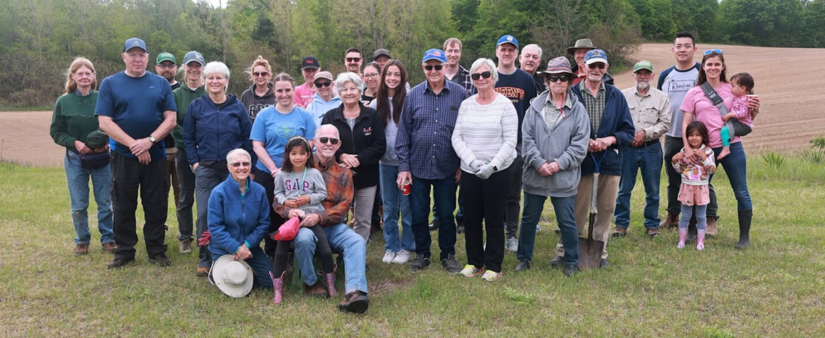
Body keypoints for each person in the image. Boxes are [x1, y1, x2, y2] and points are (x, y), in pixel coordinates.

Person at [96, 38, 177, 269]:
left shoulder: (160, 83)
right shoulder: (110, 84)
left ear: (148, 58)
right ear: (124, 57)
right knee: (123, 204)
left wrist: (149, 141)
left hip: (156, 154)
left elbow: (170, 119)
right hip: (123, 155)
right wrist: (134, 144)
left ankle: (156, 250)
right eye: (132, 54)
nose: (137, 59)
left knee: (156, 204)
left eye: (141, 54)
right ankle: (124, 252)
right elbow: (104, 121)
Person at [550, 49, 634, 268]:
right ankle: (564, 251)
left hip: (610, 161)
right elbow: (561, 125)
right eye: (592, 65)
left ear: (606, 68)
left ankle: (600, 252)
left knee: (606, 209)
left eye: (601, 66)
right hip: (579, 161)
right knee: (576, 208)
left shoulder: (616, 95)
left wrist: (609, 139)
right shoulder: (572, 93)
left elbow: (628, 131)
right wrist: (583, 141)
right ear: (584, 67)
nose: (596, 70)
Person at [514, 56, 590, 277]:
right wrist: (538, 163)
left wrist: (558, 164)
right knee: (528, 219)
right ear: (547, 81)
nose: (558, 82)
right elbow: (526, 140)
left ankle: (571, 261)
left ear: (569, 81)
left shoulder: (578, 111)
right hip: (534, 176)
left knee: (567, 221)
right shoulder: (533, 108)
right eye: (554, 78)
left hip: (563, 177)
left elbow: (579, 145)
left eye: (563, 78)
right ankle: (524, 259)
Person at [396, 49, 469, 273]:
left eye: (438, 66)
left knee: (447, 213)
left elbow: (466, 131)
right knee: (418, 214)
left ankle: (448, 254)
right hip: (418, 166)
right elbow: (403, 133)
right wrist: (404, 167)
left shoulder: (460, 94)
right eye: (429, 67)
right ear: (423, 68)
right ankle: (422, 253)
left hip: (448, 166)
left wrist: (461, 163)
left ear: (446, 66)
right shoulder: (413, 95)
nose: (434, 71)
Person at [282, 124, 369, 313]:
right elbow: (278, 200)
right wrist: (289, 213)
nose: (328, 144)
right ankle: (311, 282)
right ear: (315, 142)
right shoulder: (298, 166)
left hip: (332, 226)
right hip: (304, 225)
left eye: (333, 141)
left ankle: (355, 292)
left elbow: (344, 206)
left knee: (356, 241)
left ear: (339, 145)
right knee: (304, 239)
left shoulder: (344, 173)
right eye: (323, 139)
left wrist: (318, 216)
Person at [679, 50, 759, 249]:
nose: (713, 68)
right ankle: (690, 230)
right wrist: (688, 148)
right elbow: (686, 122)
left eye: (717, 64)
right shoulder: (694, 92)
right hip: (704, 151)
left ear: (723, 67)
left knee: (741, 191)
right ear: (703, 67)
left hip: (732, 147)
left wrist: (755, 110)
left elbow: (746, 117)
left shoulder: (732, 89)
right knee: (694, 187)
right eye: (709, 64)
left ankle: (744, 236)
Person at [184, 61, 254, 276]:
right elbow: (188, 137)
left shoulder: (237, 107)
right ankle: (205, 258)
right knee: (205, 213)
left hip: (233, 171)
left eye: (219, 78)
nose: (215, 81)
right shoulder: (196, 106)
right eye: (211, 78)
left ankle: (236, 254)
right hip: (205, 169)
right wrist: (195, 162)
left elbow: (247, 138)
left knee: (236, 212)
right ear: (205, 81)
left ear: (226, 81)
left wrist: (247, 166)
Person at [452, 58, 518, 282]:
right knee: (471, 218)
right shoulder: (466, 104)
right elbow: (457, 137)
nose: (481, 79)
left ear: (493, 77)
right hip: (470, 171)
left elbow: (510, 141)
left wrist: (492, 166)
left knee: (493, 218)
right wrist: (472, 162)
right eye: (476, 76)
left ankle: (493, 265)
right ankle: (474, 262)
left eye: (485, 75)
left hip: (497, 172)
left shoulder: (505, 105)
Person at [50, 57, 115, 256]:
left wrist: (106, 140)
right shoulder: (63, 101)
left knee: (105, 202)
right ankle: (82, 240)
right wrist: (75, 143)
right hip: (75, 160)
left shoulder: (102, 98)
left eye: (88, 73)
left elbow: (114, 124)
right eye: (80, 73)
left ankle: (108, 238)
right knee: (79, 204)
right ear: (73, 76)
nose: (84, 76)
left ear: (94, 75)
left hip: (102, 158)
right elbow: (56, 131)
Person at [251, 72, 317, 259]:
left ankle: (294, 249)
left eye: (288, 90)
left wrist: (294, 164)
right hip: (268, 171)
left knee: (294, 209)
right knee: (271, 211)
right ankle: (272, 252)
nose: (284, 94)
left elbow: (311, 142)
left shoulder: (304, 115)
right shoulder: (264, 115)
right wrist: (274, 168)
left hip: (297, 173)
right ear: (274, 91)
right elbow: (257, 144)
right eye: (280, 90)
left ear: (293, 90)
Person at [321, 72, 386, 241]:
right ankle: (337, 254)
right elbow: (323, 145)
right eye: (344, 89)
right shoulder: (330, 117)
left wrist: (358, 159)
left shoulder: (371, 116)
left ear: (360, 90)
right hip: (337, 177)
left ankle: (358, 255)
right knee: (337, 218)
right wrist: (341, 156)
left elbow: (380, 146)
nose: (349, 92)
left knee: (363, 221)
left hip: (366, 176)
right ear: (339, 92)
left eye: (353, 88)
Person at [657, 32, 711, 236]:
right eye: (678, 46)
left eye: (687, 46)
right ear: (673, 50)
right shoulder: (665, 75)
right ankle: (673, 215)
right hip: (672, 135)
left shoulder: (701, 72)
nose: (682, 49)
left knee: (702, 178)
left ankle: (706, 218)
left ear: (695, 49)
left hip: (697, 137)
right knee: (673, 177)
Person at [271, 137, 335, 304]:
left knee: (326, 250)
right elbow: (278, 193)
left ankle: (330, 284)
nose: (297, 157)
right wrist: (286, 202)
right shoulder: (281, 174)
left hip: (311, 217)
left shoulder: (314, 173)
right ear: (288, 155)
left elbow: (322, 194)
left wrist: (308, 198)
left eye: (301, 153)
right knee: (280, 252)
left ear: (308, 155)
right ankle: (278, 290)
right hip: (292, 219)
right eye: (293, 153)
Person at [612, 61, 671, 238]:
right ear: (634, 76)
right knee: (624, 188)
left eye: (646, 73)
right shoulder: (623, 96)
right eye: (639, 73)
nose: (643, 76)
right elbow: (617, 121)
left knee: (652, 189)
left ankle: (652, 225)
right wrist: (630, 136)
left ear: (652, 76)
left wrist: (645, 133)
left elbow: (665, 123)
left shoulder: (662, 97)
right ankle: (620, 225)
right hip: (627, 149)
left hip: (651, 148)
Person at [493, 34, 539, 253]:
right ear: (497, 52)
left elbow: (532, 114)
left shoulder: (526, 80)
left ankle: (511, 235)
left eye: (511, 49)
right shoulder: (489, 76)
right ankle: (493, 235)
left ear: (516, 54)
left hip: (517, 144)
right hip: (492, 143)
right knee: (492, 193)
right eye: (503, 49)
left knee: (512, 193)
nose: (507, 52)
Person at [207, 149, 274, 293]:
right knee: (229, 282)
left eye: (245, 163)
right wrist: (236, 248)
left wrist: (247, 245)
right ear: (229, 167)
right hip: (224, 247)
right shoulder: (218, 193)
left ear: (251, 165)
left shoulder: (260, 191)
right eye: (236, 164)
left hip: (250, 247)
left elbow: (264, 224)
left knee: (271, 282)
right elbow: (215, 227)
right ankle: (217, 268)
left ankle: (246, 269)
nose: (241, 167)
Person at [370, 60, 414, 264]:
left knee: (407, 207)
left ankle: (407, 246)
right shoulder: (375, 103)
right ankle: (391, 246)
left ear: (402, 77)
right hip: (385, 164)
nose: (392, 78)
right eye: (389, 74)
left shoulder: (409, 99)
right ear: (383, 77)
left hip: (406, 164)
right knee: (388, 207)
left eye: (397, 74)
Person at [171, 51, 206, 254]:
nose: (194, 70)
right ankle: (185, 236)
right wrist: (192, 145)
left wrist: (205, 144)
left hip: (208, 154)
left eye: (198, 66)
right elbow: (173, 124)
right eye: (190, 66)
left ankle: (207, 234)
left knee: (209, 196)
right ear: (184, 67)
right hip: (185, 152)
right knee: (185, 195)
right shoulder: (176, 95)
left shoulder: (208, 92)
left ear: (202, 68)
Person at [671, 122, 716, 250]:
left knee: (701, 216)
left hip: (701, 188)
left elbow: (712, 169)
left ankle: (700, 242)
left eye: (697, 135)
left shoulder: (708, 151)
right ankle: (681, 241)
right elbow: (680, 170)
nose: (694, 138)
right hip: (687, 187)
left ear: (703, 137)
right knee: (685, 215)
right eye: (690, 135)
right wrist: (675, 161)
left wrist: (704, 158)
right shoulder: (684, 151)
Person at [155, 52, 181, 235]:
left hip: (179, 149)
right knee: (159, 193)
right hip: (158, 150)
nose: (166, 69)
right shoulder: (151, 87)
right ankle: (159, 228)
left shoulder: (182, 90)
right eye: (163, 65)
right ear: (156, 68)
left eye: (170, 65)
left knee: (182, 194)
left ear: (176, 68)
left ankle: (184, 230)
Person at [718, 72, 757, 159]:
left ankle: (726, 149)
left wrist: (730, 115)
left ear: (742, 88)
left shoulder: (745, 100)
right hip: (740, 123)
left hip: (744, 125)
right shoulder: (738, 98)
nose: (730, 88)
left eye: (733, 86)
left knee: (724, 131)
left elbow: (743, 113)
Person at [240, 55, 276, 121]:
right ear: (252, 75)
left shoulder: (276, 95)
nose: (260, 77)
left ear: (268, 75)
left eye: (263, 74)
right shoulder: (246, 95)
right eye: (256, 74)